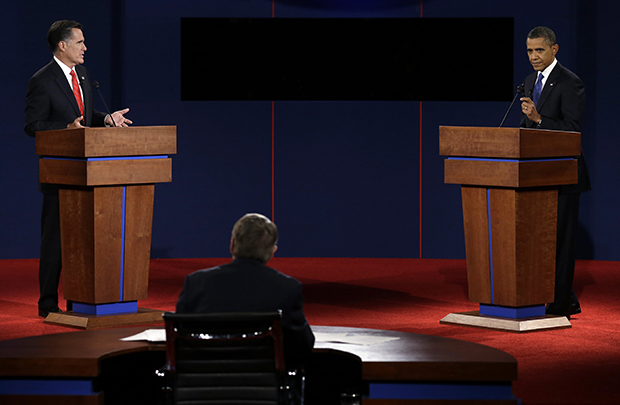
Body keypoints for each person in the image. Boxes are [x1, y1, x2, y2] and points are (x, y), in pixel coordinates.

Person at [25, 20, 132, 317]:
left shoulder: (83, 74)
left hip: (89, 171)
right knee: (55, 241)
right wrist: (65, 128)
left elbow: (84, 116)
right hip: (60, 174)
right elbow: (32, 125)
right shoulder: (42, 80)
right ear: (63, 45)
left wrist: (106, 119)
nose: (85, 48)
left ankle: (79, 298)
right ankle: (47, 302)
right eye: (80, 42)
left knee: (84, 241)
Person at [176, 213, 315, 368]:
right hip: (263, 385)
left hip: (200, 383)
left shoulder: (196, 283)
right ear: (272, 251)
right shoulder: (287, 288)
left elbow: (180, 336)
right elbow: (302, 345)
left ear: (232, 244)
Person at [520, 26, 591, 317]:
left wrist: (539, 119)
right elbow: (528, 130)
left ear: (554, 50)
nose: (534, 56)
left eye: (539, 50)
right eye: (529, 51)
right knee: (540, 239)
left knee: (559, 241)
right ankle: (563, 295)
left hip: (562, 173)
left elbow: (573, 130)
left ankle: (561, 304)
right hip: (535, 173)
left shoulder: (570, 82)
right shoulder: (528, 81)